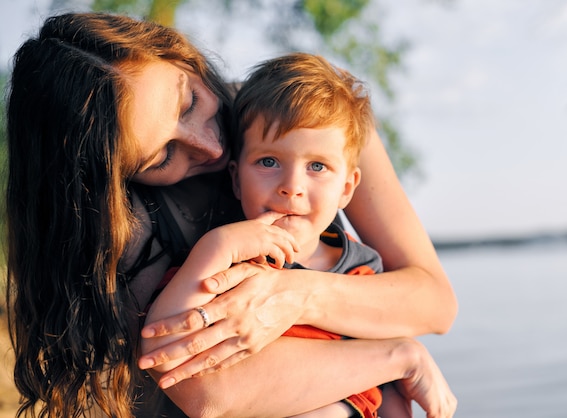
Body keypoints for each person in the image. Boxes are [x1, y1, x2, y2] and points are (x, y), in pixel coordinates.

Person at [5, 12, 458, 418]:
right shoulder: (125, 223)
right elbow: (206, 391)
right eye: (162, 156)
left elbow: (434, 303)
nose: (212, 146)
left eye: (189, 104)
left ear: (181, 57)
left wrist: (294, 295)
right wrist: (398, 356)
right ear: (112, 177)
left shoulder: (303, 112)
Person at [142, 53, 454, 417]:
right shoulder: (233, 258)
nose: (292, 186)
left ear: (347, 188)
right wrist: (218, 246)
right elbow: (161, 347)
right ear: (235, 178)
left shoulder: (362, 271)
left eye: (317, 166)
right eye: (269, 162)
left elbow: (392, 389)